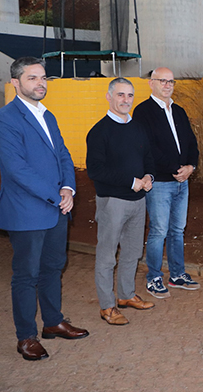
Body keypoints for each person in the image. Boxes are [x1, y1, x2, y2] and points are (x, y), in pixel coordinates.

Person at [0, 57, 89, 361]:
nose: (40, 83)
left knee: (53, 267)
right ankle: (26, 337)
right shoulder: (5, 118)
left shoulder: (48, 115)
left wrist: (68, 188)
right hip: (26, 210)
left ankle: (53, 322)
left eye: (43, 78)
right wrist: (55, 195)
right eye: (32, 78)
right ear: (15, 83)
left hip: (56, 207)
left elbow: (63, 155)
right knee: (26, 275)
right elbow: (16, 169)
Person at [86, 77, 156, 325]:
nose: (126, 100)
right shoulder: (99, 131)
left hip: (138, 201)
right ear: (109, 97)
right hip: (112, 201)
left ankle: (126, 295)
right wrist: (130, 181)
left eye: (129, 95)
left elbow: (148, 158)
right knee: (107, 255)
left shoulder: (138, 128)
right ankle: (107, 306)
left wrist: (148, 176)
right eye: (120, 95)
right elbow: (95, 170)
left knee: (133, 252)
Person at [133, 67, 200, 299]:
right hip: (160, 182)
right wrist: (175, 169)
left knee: (177, 230)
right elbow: (148, 148)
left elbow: (191, 142)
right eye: (162, 81)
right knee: (159, 230)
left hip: (182, 181)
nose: (167, 85)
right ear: (151, 83)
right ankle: (153, 277)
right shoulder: (143, 111)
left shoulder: (179, 111)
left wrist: (191, 166)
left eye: (171, 81)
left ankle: (177, 275)